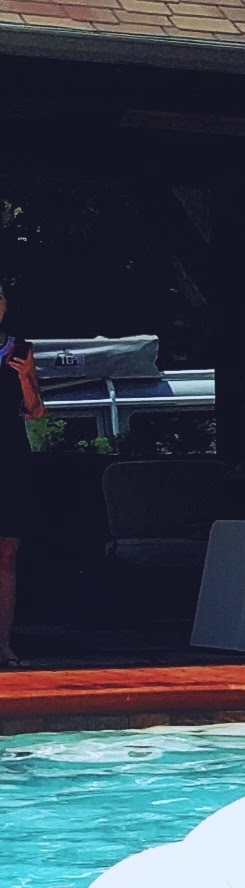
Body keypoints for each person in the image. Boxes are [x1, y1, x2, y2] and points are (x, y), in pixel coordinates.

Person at [0, 283, 42, 668]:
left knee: (7, 551)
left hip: (9, 455)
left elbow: (35, 411)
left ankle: (4, 644)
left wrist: (27, 376)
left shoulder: (18, 349)